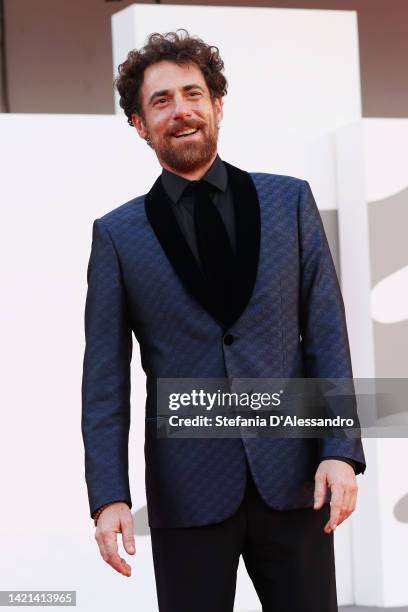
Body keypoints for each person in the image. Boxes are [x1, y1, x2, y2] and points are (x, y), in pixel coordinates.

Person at [81, 29, 366, 612]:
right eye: (161, 101)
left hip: (295, 481)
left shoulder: (290, 201)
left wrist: (341, 448)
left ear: (217, 105)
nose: (180, 110)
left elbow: (327, 334)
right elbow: (105, 379)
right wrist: (108, 495)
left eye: (192, 93)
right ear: (139, 123)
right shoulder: (117, 235)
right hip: (188, 493)